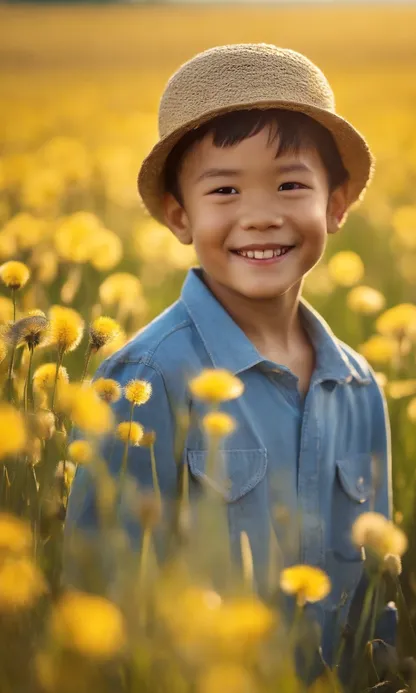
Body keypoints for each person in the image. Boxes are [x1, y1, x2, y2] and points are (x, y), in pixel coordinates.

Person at [65, 43, 394, 677]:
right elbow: (101, 603)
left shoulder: (359, 386)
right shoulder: (147, 379)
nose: (261, 216)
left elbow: (379, 596)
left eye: (291, 184)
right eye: (225, 190)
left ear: (337, 204)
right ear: (178, 214)